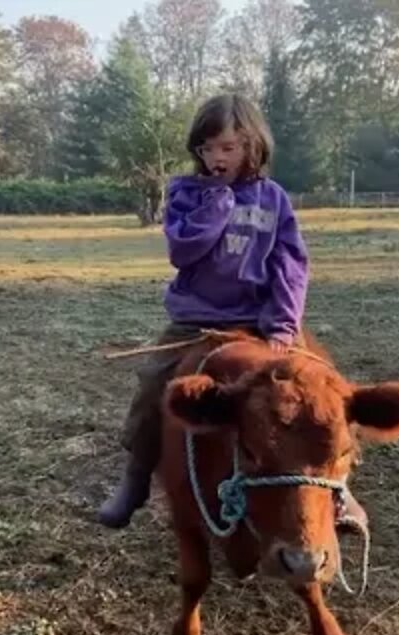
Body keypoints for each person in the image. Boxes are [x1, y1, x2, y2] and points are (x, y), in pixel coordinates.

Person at [96, 93, 369, 535]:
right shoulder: (186, 193)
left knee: (319, 386)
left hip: (261, 318)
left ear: (252, 145)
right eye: (206, 148)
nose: (216, 158)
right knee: (152, 384)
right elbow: (183, 252)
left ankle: (340, 487)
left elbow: (290, 263)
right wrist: (217, 203)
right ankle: (136, 476)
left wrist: (282, 322)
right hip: (196, 319)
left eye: (228, 147)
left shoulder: (274, 199)